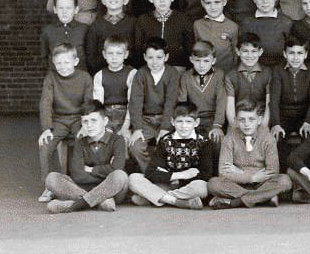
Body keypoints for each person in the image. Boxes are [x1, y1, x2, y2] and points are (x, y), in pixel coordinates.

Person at [44, 101, 130, 213]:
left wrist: (91, 170)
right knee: (51, 178)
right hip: (87, 189)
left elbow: (117, 168)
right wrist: (106, 171)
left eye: (94, 120)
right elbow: (77, 175)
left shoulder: (117, 140)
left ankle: (75, 205)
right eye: (85, 121)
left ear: (105, 121)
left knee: (120, 175)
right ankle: (100, 201)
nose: (89, 125)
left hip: (111, 189)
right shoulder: (80, 142)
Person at [208, 99, 292, 209]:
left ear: (259, 120)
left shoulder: (268, 138)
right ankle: (263, 198)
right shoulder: (229, 138)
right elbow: (223, 172)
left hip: (262, 183)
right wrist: (250, 178)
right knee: (213, 183)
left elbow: (273, 171)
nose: (246, 124)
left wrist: (240, 172)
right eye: (242, 120)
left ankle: (236, 202)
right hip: (237, 184)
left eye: (251, 119)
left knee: (285, 181)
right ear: (236, 121)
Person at [128, 102, 212, 210]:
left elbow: (206, 174)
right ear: (172, 121)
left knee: (202, 188)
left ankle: (157, 198)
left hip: (188, 187)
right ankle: (175, 201)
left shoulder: (204, 142)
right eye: (179, 121)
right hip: (167, 184)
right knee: (133, 178)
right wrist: (181, 175)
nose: (184, 126)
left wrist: (176, 179)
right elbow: (151, 172)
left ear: (196, 122)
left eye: (188, 122)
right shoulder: (165, 141)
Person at [37, 42, 93, 202]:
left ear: (75, 61)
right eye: (58, 63)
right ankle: (49, 186)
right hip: (58, 121)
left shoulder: (84, 77)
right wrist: (46, 128)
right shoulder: (51, 77)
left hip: (78, 119)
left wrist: (85, 125)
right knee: (45, 145)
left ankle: (81, 183)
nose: (62, 66)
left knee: (84, 141)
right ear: (53, 63)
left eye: (66, 62)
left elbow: (88, 103)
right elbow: (46, 103)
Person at [127, 37, 180, 172]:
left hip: (166, 119)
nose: (154, 62)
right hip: (146, 121)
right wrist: (137, 128)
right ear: (145, 57)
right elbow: (135, 102)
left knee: (170, 145)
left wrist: (165, 128)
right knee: (135, 146)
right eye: (150, 57)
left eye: (159, 57)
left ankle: (168, 173)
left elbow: (171, 103)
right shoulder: (141, 74)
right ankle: (150, 172)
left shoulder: (172, 74)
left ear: (166, 57)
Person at [269, 35, 310, 168]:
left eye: (300, 53)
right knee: (276, 139)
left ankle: (309, 172)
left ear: (306, 54)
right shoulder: (278, 70)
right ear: (284, 54)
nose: (295, 57)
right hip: (284, 115)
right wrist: (276, 123)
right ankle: (284, 172)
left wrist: (308, 121)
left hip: (304, 115)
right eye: (291, 53)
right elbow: (274, 100)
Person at [178, 40, 226, 157]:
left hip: (212, 120)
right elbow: (182, 103)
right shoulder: (185, 76)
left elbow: (221, 102)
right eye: (198, 61)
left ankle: (214, 168)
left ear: (213, 60)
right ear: (191, 60)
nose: (202, 65)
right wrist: (187, 122)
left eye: (206, 61)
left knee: (217, 141)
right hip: (193, 118)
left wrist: (217, 125)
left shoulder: (219, 75)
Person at [134, 0, 194, 70]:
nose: (162, 0)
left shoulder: (183, 19)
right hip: (150, 67)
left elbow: (189, 47)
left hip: (177, 67)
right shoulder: (143, 20)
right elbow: (139, 48)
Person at [85, 0, 137, 73]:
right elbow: (91, 57)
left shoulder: (134, 23)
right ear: (103, 0)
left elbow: (138, 52)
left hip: (129, 74)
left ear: (126, 0)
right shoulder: (96, 25)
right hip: (102, 74)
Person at [237, 0, 293, 67]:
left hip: (280, 69)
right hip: (255, 69)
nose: (265, 1)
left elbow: (292, 51)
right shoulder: (246, 23)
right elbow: (242, 51)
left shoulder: (286, 22)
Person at [92, 35, 136, 138]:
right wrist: (103, 125)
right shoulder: (99, 75)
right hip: (106, 114)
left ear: (126, 54)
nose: (114, 57)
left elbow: (133, 103)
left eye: (119, 53)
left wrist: (126, 126)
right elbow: (98, 104)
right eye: (110, 53)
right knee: (104, 139)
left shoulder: (132, 73)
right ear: (104, 54)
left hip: (125, 115)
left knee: (124, 140)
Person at [224, 32, 272, 127]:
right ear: (238, 51)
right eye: (245, 51)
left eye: (254, 51)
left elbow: (269, 104)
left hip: (261, 119)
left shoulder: (268, 73)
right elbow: (230, 108)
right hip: (239, 120)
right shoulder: (230, 75)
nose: (249, 55)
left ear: (260, 52)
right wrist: (235, 126)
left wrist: (263, 127)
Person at [193, 0, 239, 73]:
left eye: (217, 2)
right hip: (204, 71)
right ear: (202, 3)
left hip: (226, 72)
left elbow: (235, 53)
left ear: (224, 2)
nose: (213, 7)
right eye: (208, 3)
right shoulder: (197, 25)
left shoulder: (233, 26)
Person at [41, 0, 89, 71]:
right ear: (55, 9)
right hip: (56, 75)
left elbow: (89, 56)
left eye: (68, 8)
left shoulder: (84, 29)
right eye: (61, 8)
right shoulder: (48, 31)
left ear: (76, 10)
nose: (64, 12)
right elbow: (44, 56)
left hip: (80, 74)